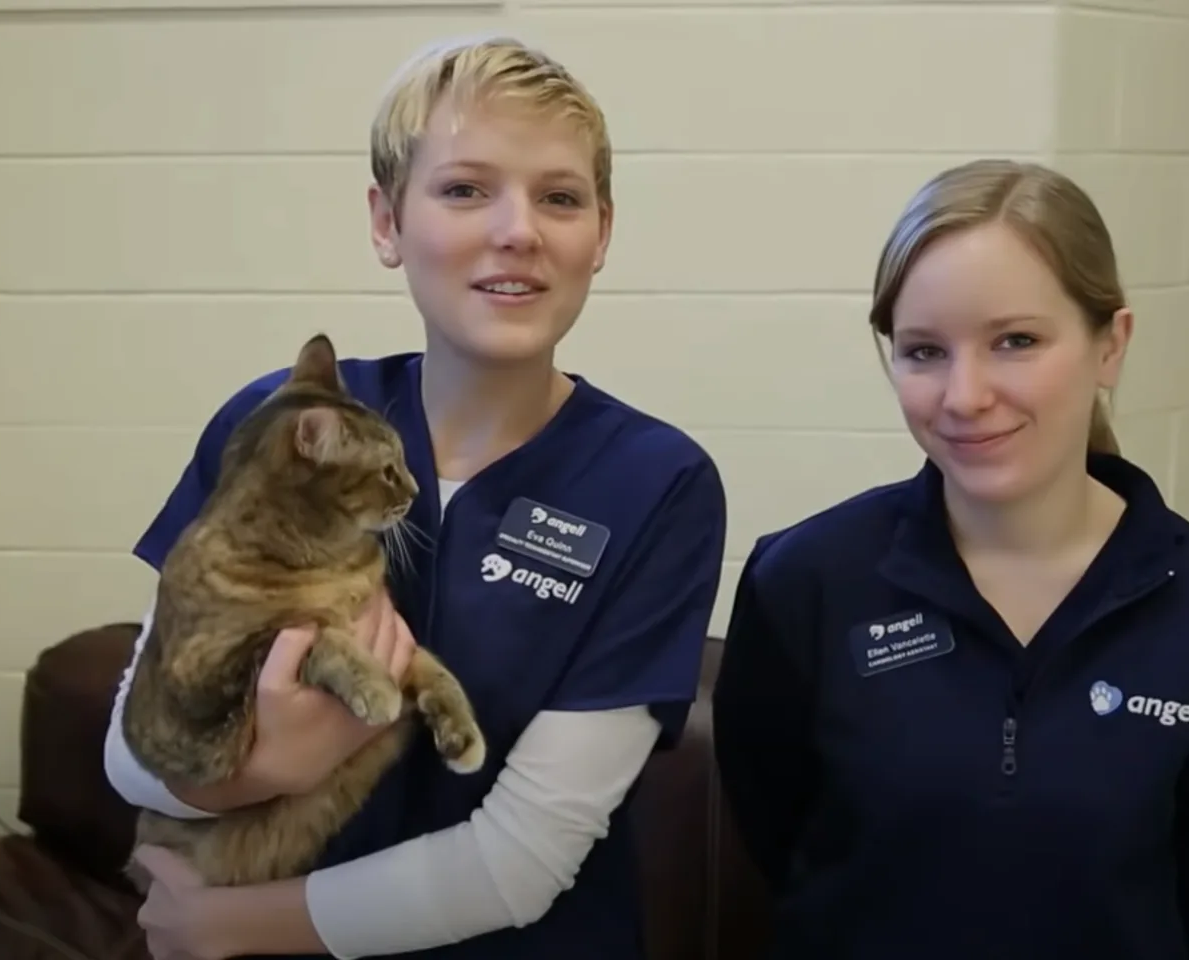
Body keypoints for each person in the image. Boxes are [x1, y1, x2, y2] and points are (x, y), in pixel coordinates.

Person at [103, 35, 727, 960]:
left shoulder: (656, 484)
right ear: (387, 222)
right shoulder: (280, 429)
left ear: (601, 232)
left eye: (559, 197)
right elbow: (130, 747)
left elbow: (523, 858)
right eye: (465, 189)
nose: (517, 229)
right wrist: (260, 770)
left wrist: (228, 925)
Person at [711, 159, 1189, 960]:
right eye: (924, 352)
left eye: (1016, 341)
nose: (965, 395)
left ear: (1109, 347)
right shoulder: (807, 584)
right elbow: (773, 827)